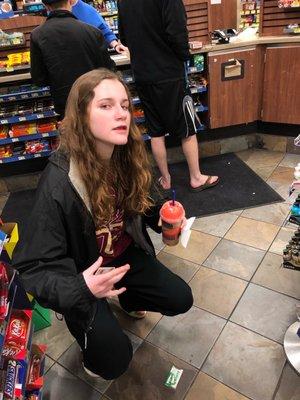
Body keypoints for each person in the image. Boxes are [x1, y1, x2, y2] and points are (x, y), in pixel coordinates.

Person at [12, 68, 193, 380]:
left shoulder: (127, 156)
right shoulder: (59, 182)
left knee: (181, 298)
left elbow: (146, 202)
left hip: (123, 258)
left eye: (124, 105)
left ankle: (128, 297)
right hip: (84, 272)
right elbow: (33, 269)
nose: (121, 114)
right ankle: (87, 337)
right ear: (82, 116)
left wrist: (162, 211)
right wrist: (81, 287)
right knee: (112, 361)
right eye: (106, 106)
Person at [118, 0, 219, 192]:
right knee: (187, 128)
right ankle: (196, 177)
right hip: (169, 74)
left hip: (143, 74)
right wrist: (185, 53)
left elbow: (124, 38)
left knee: (155, 131)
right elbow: (176, 33)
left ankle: (165, 180)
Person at [30, 0, 115, 118]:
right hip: (94, 99)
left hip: (65, 105)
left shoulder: (37, 35)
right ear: (70, 1)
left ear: (45, 6)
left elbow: (39, 78)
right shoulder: (92, 31)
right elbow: (108, 70)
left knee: (72, 136)